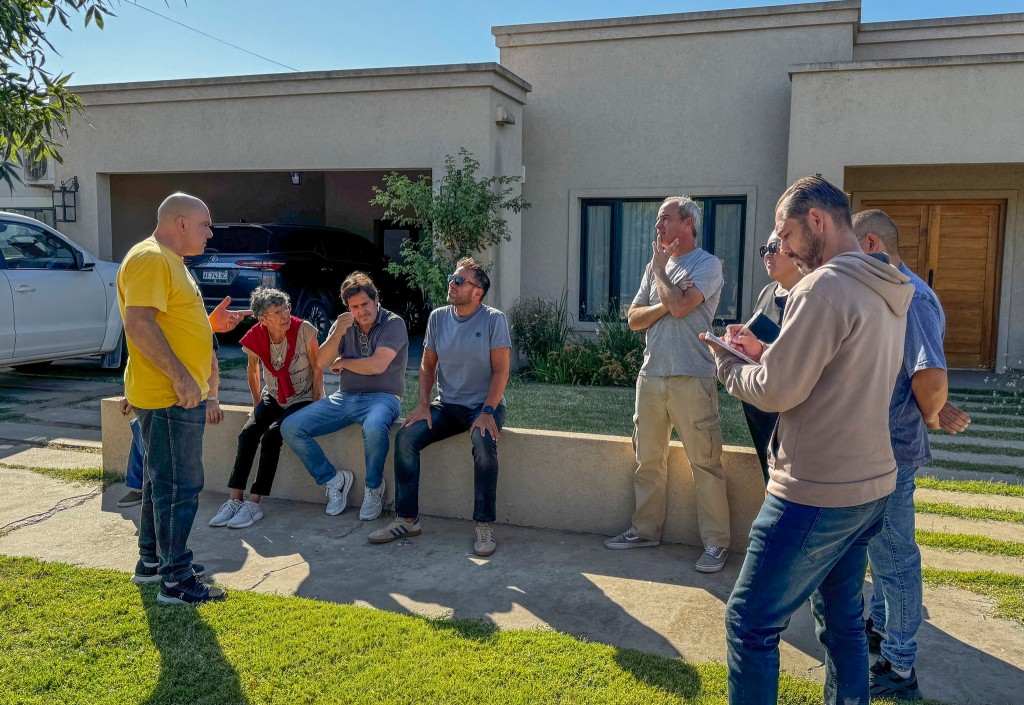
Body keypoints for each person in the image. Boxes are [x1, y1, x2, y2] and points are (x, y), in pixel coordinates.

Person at [705, 176, 913, 705]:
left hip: (815, 490)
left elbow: (776, 391)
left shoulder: (822, 287)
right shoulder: (883, 285)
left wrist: (727, 363)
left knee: (749, 621)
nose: (785, 247)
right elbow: (834, 371)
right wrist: (765, 355)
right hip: (870, 486)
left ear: (816, 220)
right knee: (843, 622)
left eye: (786, 234)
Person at [854, 209, 971, 701]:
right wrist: (935, 408)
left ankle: (899, 667)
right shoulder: (891, 292)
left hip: (893, 451)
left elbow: (929, 375)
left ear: (872, 245)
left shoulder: (914, 299)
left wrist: (933, 411)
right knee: (882, 553)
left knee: (895, 558)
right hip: (879, 446)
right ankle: (883, 625)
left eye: (850, 251)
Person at [118, 191, 249, 606]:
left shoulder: (168, 260)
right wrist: (182, 378)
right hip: (170, 395)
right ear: (180, 224)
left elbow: (167, 323)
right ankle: (176, 580)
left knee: (161, 479)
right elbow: (139, 324)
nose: (210, 233)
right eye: (205, 225)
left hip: (169, 394)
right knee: (180, 485)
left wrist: (208, 324)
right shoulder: (152, 258)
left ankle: (152, 562)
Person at [604, 196, 732, 574]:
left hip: (693, 375)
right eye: (658, 220)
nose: (657, 226)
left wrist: (662, 276)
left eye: (665, 218)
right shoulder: (654, 266)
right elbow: (634, 319)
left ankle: (716, 543)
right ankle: (645, 530)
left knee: (705, 463)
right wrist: (666, 295)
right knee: (647, 459)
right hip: (651, 375)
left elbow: (682, 308)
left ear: (687, 224)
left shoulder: (708, 265)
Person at [369, 257, 511, 557]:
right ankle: (408, 519)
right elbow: (427, 365)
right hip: (446, 404)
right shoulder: (438, 318)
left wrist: (488, 412)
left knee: (483, 442)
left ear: (477, 292)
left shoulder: (494, 319)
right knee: (406, 437)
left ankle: (484, 525)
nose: (451, 284)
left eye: (459, 281)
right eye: (451, 278)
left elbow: (501, 371)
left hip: (483, 406)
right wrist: (423, 404)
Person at [281, 272, 408, 519]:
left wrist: (344, 362)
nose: (361, 311)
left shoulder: (393, 323)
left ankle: (373, 488)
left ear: (376, 299)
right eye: (354, 307)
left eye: (365, 304)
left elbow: (377, 365)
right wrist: (338, 332)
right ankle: (332, 480)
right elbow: (321, 362)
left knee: (374, 428)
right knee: (291, 427)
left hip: (384, 398)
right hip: (345, 397)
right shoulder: (344, 325)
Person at [208, 287, 323, 530]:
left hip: (302, 398)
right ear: (263, 319)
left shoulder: (304, 330)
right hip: (273, 396)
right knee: (248, 433)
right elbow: (252, 370)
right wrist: (256, 405)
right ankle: (234, 499)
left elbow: (317, 367)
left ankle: (254, 503)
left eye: (286, 308)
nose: (285, 315)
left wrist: (316, 404)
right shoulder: (256, 335)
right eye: (277, 312)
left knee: (272, 436)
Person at [741, 231, 804, 484]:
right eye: (764, 249)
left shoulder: (808, 296)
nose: (767, 254)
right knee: (768, 478)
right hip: (759, 404)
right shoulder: (767, 292)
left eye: (774, 247)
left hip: (788, 409)